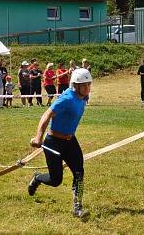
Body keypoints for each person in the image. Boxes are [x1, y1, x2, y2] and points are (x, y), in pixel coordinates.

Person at [27, 68, 92, 218]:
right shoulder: (66, 99)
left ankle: (77, 206)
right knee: (55, 180)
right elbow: (46, 114)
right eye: (85, 85)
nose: (88, 88)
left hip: (70, 141)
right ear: (75, 85)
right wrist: (38, 138)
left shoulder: (82, 97)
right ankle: (37, 178)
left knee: (79, 172)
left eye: (89, 84)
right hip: (54, 142)